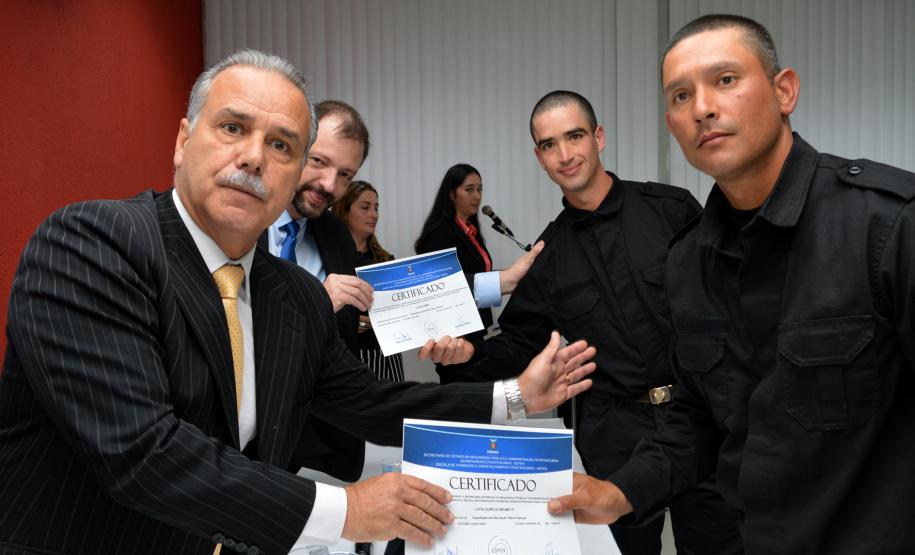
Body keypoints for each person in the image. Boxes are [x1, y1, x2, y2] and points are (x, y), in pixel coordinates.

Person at [0, 49, 599, 555]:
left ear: (294, 179)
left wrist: (517, 396)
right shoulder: (91, 244)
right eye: (232, 128)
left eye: (282, 145)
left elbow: (370, 402)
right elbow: (143, 455)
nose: (254, 157)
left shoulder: (291, 294)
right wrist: (347, 510)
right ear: (183, 141)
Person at [547, 14, 915, 555]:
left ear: (784, 91)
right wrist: (620, 492)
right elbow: (699, 417)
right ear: (672, 125)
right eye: (681, 95)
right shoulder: (688, 260)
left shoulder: (887, 225)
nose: (702, 108)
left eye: (725, 79)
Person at [442, 91, 742, 555]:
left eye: (575, 136)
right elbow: (522, 341)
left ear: (598, 137)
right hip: (615, 437)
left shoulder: (672, 210)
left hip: (702, 421)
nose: (565, 154)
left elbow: (730, 300)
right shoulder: (548, 255)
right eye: (549, 144)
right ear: (539, 158)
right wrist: (470, 353)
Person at [414, 163, 496, 384]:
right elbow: (438, 289)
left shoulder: (471, 232)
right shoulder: (441, 234)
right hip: (455, 338)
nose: (477, 196)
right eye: (469, 189)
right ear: (451, 194)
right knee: (463, 398)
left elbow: (476, 275)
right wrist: (502, 283)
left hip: (476, 333)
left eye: (479, 189)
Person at [333, 179, 405, 381]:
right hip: (349, 355)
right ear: (345, 212)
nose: (374, 214)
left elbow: (400, 308)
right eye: (365, 207)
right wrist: (349, 320)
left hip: (388, 354)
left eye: (376, 208)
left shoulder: (385, 259)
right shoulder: (332, 261)